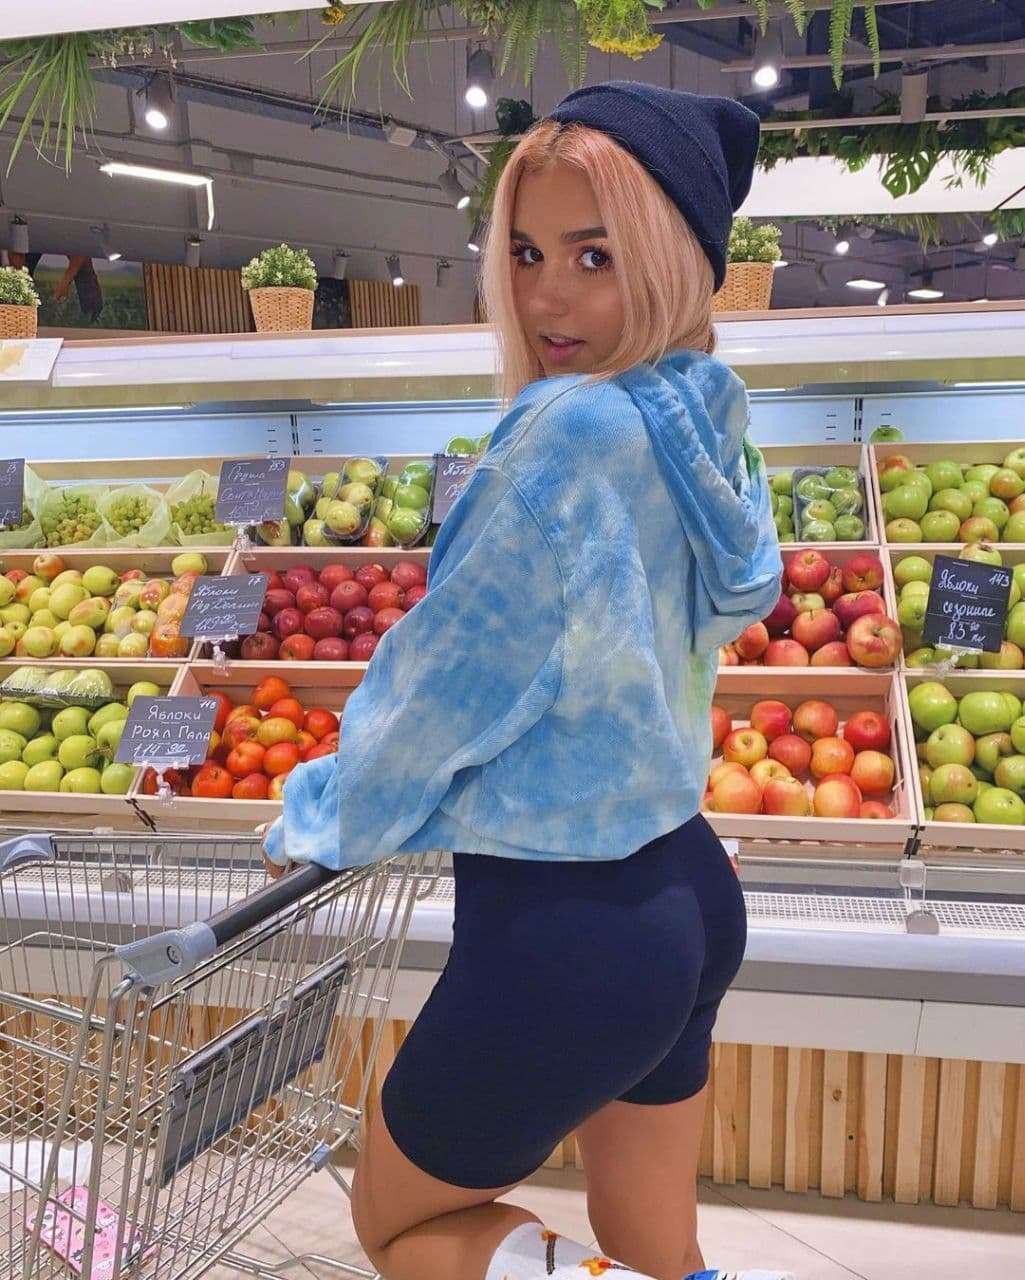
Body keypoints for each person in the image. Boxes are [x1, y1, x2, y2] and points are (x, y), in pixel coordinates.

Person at [263, 80, 785, 1280]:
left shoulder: (563, 434)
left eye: (596, 256)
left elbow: (448, 677)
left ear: (669, 260)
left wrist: (330, 809)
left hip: (563, 925)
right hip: (684, 886)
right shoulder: (701, 412)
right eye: (527, 252)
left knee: (399, 1226)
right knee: (655, 1245)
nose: (548, 295)